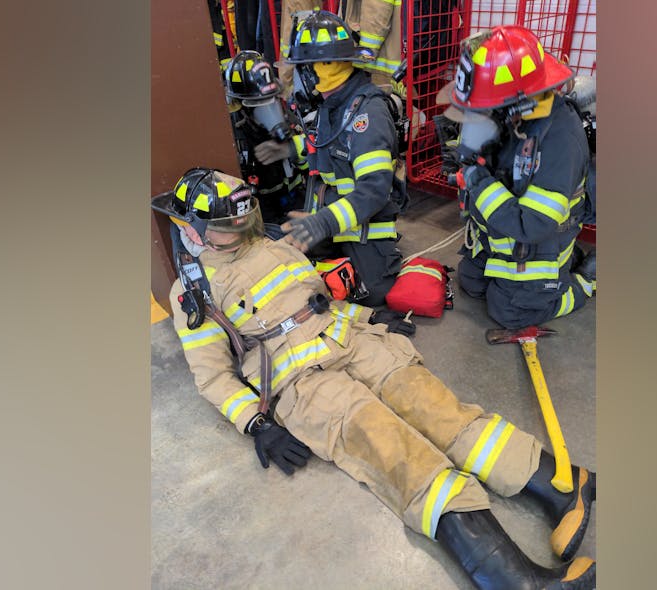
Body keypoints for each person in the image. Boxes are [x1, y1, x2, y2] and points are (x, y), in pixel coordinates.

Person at [153, 167, 597, 590]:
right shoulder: (193, 289)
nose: (242, 225)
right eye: (229, 222)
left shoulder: (271, 242)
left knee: (439, 410)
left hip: (354, 340)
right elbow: (212, 375)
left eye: (242, 216)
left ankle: (563, 484)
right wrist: (255, 422)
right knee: (398, 454)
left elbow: (318, 300)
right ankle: (514, 580)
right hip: (305, 384)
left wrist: (370, 315)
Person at [449, 25, 597, 330]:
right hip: (502, 233)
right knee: (472, 284)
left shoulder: (560, 139)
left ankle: (582, 282)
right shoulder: (517, 116)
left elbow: (532, 224)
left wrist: (477, 180)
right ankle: (556, 273)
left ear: (520, 101)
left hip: (539, 234)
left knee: (511, 313)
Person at [255, 10, 405, 307]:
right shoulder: (334, 103)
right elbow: (330, 145)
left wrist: (323, 223)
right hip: (332, 214)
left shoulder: (367, 113)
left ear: (320, 68)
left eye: (303, 68)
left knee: (371, 292)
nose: (300, 77)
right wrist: (292, 149)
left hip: (365, 223)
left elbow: (374, 191)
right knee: (280, 250)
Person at [222, 50, 305, 225]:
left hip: (296, 198)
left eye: (272, 100)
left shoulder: (287, 118)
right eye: (258, 105)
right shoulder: (232, 133)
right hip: (259, 210)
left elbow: (315, 155)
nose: (270, 110)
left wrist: (291, 149)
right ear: (238, 105)